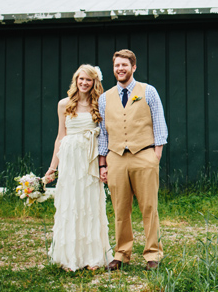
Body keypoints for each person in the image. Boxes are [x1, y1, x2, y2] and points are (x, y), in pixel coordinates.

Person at [98, 49, 168, 271]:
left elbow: (159, 124)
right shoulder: (104, 98)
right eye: (117, 65)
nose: (120, 69)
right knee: (120, 208)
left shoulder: (148, 91)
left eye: (125, 65)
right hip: (116, 158)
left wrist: (155, 155)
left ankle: (152, 254)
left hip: (144, 155)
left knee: (149, 207)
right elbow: (103, 133)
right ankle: (121, 253)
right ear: (114, 68)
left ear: (133, 67)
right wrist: (103, 163)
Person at [44, 64, 113, 271]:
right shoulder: (63, 104)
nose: (84, 83)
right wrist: (52, 168)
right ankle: (69, 257)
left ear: (94, 82)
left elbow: (105, 138)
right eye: (81, 79)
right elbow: (59, 137)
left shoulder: (100, 104)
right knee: (71, 205)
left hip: (90, 160)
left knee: (90, 206)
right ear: (76, 80)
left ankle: (93, 257)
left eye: (88, 80)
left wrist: (104, 165)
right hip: (70, 160)